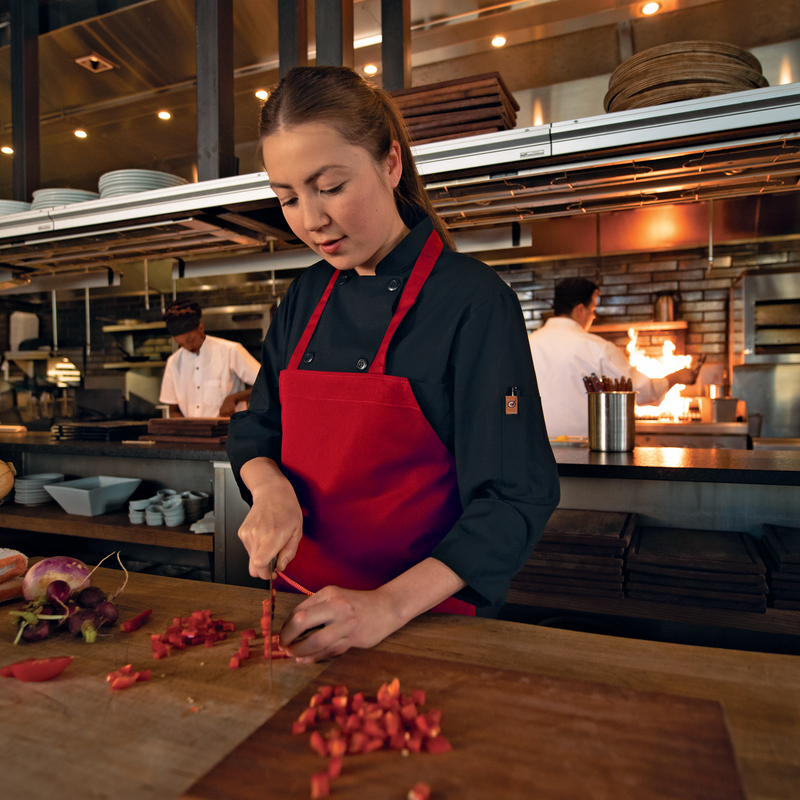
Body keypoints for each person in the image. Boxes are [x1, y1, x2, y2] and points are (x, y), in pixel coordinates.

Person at [226, 66, 559, 664]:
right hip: (306, 613)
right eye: (287, 197)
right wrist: (268, 486)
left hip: (425, 620)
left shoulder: (474, 302)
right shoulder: (303, 296)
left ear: (390, 164)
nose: (310, 219)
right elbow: (258, 427)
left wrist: (386, 605)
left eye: (329, 187)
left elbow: (513, 498)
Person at [528, 278, 700, 438]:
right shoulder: (597, 348)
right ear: (580, 310)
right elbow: (640, 391)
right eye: (593, 310)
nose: (593, 317)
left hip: (535, 449)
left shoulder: (527, 343)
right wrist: (676, 377)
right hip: (583, 451)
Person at [159, 301, 261, 418]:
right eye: (181, 344)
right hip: (192, 435)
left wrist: (234, 397)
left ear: (201, 328)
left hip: (229, 433)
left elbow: (266, 383)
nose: (188, 347)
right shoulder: (173, 362)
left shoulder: (231, 351)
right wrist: (188, 429)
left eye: (191, 340)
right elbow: (173, 410)